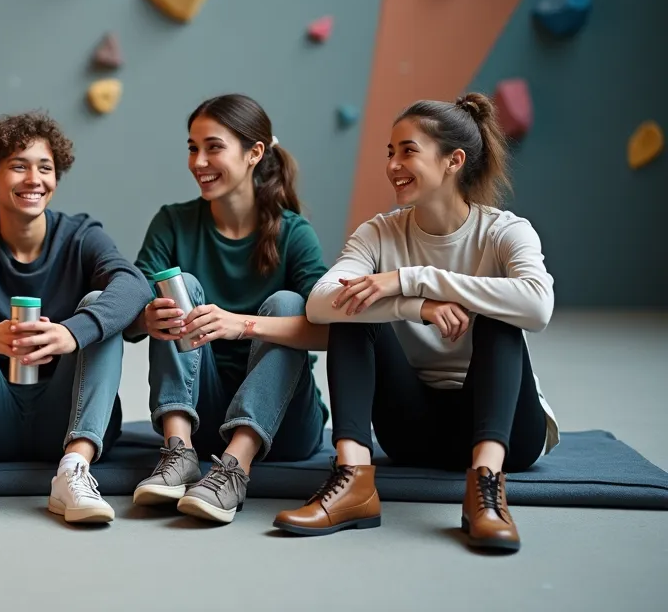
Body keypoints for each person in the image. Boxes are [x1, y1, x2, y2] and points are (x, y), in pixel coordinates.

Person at [273, 93, 557, 554]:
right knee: (353, 305)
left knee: (499, 315)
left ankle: (485, 493)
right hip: (412, 430)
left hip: (509, 433)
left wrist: (413, 279)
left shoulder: (506, 230)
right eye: (390, 152)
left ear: (453, 161)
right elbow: (319, 305)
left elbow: (538, 308)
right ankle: (353, 482)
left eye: (408, 151)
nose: (393, 164)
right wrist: (414, 306)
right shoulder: (378, 233)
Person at [0, 111, 151, 527]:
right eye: (18, 167)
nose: (34, 179)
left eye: (45, 168)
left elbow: (133, 285)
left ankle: (74, 472)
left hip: (67, 421)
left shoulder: (80, 234)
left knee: (101, 303)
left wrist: (71, 334)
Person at [127, 94, 330, 524]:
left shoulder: (294, 233)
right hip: (203, 415)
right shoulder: (172, 222)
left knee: (289, 304)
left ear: (255, 153)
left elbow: (331, 331)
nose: (198, 161)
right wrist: (147, 316)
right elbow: (128, 305)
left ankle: (235, 467)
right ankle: (178, 454)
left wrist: (241, 325)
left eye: (213, 147)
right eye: (192, 148)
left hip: (287, 426)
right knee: (174, 289)